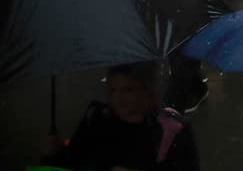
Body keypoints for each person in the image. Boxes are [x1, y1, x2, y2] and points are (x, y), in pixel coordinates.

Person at [49, 62, 199, 170]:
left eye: (127, 90)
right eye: (113, 90)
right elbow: (73, 161)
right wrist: (54, 154)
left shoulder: (172, 131)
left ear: (146, 89)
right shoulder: (98, 119)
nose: (118, 99)